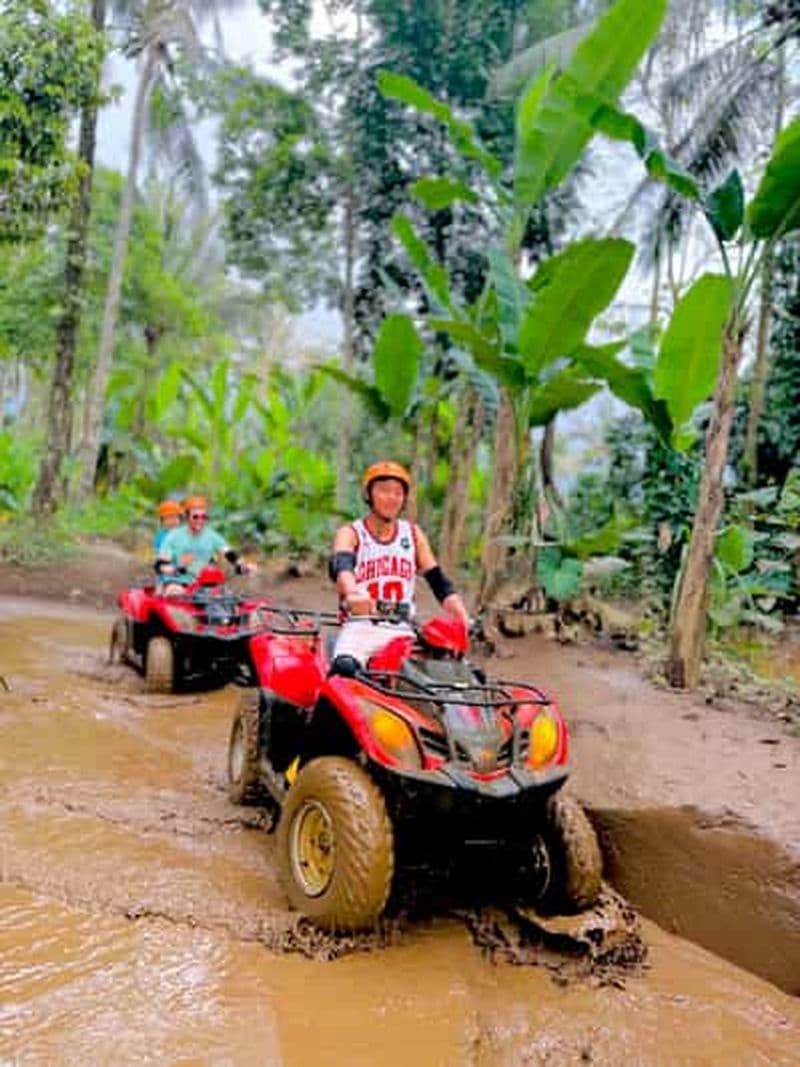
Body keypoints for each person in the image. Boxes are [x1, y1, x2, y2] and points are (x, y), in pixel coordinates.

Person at [329, 461, 470, 665]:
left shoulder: (412, 534)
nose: (391, 498)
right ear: (369, 495)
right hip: (360, 626)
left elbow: (438, 581)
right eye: (384, 490)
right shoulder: (351, 533)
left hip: (402, 629)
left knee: (456, 671)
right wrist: (352, 594)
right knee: (344, 668)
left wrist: (461, 614)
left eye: (398, 492)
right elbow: (341, 567)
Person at [155, 494, 256, 593]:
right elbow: (161, 563)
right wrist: (174, 568)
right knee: (175, 591)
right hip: (178, 582)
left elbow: (229, 553)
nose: (200, 520)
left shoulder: (212, 535)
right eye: (195, 517)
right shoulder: (173, 536)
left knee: (225, 597)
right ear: (187, 517)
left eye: (204, 517)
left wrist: (243, 566)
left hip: (204, 585)